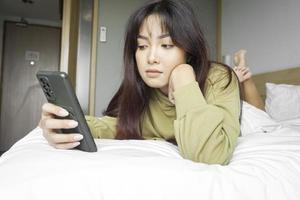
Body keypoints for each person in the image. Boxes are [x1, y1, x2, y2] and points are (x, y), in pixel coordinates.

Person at [39, 0, 241, 165]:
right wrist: (63, 125)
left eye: (167, 45)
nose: (151, 57)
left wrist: (184, 79)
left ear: (188, 50)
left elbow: (210, 156)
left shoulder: (219, 78)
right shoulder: (144, 92)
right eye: (142, 46)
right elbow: (114, 126)